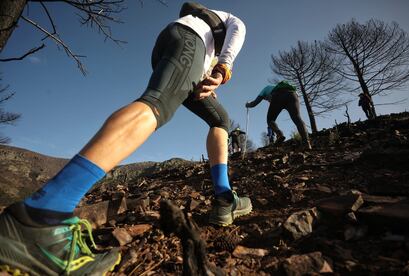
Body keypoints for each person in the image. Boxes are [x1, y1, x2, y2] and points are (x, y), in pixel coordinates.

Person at [0, 2, 252, 275]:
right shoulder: (219, 21)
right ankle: (42, 214)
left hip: (173, 48)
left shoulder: (194, 30)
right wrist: (223, 68)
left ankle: (224, 198)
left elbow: (197, 59)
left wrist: (205, 72)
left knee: (220, 120)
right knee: (157, 104)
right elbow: (239, 27)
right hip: (187, 44)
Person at [246, 81, 311, 150]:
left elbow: (254, 103)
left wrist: (248, 105)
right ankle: (306, 143)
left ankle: (280, 135)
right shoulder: (282, 87)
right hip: (293, 95)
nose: (268, 100)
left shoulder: (266, 88)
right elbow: (296, 95)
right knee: (297, 118)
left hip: (278, 96)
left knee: (270, 120)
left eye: (267, 99)